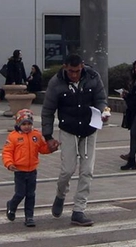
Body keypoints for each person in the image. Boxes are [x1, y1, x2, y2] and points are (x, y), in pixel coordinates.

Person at [41, 54, 105, 227]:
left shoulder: (93, 77)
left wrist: (101, 113)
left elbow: (101, 99)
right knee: (67, 170)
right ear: (65, 67)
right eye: (71, 71)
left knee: (87, 171)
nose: (74, 75)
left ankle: (79, 210)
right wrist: (48, 136)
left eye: (77, 71)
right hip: (68, 129)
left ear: (82, 67)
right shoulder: (56, 83)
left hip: (89, 128)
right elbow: (47, 111)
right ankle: (60, 195)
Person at [3, 109, 54, 227]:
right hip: (19, 170)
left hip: (32, 170)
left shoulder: (36, 135)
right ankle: (12, 206)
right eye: (24, 124)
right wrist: (9, 163)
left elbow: (42, 149)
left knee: (31, 194)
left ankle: (29, 216)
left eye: (29, 124)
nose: (27, 127)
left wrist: (51, 148)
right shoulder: (13, 137)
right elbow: (7, 152)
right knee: (20, 193)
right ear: (18, 124)